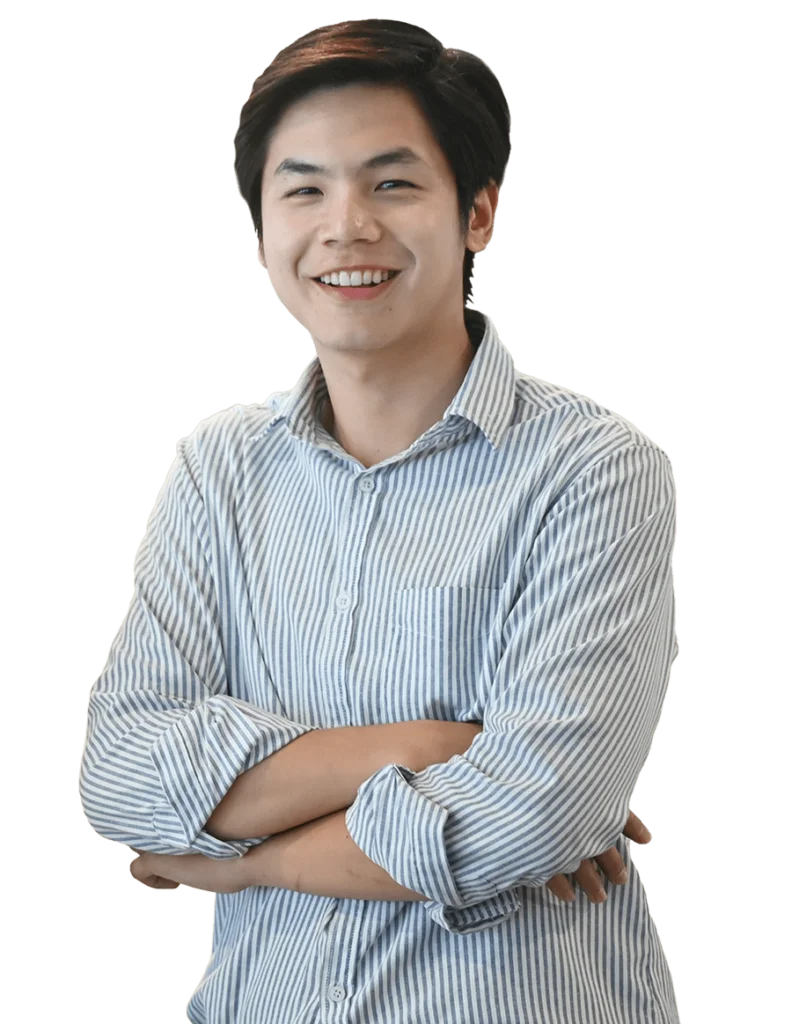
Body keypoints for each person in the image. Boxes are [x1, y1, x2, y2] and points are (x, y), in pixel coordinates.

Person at [79, 18, 679, 1024]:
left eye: (391, 183)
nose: (346, 226)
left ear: (477, 211)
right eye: (303, 189)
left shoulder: (593, 468)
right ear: (261, 230)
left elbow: (534, 815)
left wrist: (237, 859)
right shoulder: (217, 469)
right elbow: (120, 775)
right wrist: (428, 746)